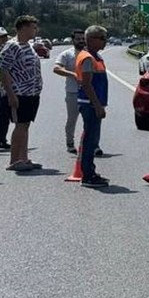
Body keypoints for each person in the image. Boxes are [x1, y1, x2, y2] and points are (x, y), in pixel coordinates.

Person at [0, 15, 43, 171]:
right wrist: (10, 94)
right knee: (20, 125)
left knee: (25, 125)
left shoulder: (28, 45)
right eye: (33, 27)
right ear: (23, 28)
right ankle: (14, 160)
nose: (35, 30)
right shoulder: (12, 46)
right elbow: (3, 70)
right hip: (19, 93)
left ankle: (23, 158)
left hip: (31, 93)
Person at [52, 30, 102, 156]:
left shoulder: (91, 55)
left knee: (92, 121)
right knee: (72, 119)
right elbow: (56, 68)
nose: (81, 41)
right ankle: (70, 143)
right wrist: (73, 74)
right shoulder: (67, 54)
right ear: (73, 40)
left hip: (88, 94)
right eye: (78, 39)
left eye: (82, 38)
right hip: (73, 92)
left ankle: (94, 145)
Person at [75, 25, 110, 187]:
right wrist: (97, 106)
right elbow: (87, 85)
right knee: (91, 140)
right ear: (92, 39)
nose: (105, 41)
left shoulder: (95, 56)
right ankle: (88, 175)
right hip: (90, 104)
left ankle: (90, 171)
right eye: (102, 38)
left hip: (92, 103)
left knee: (92, 139)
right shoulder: (88, 58)